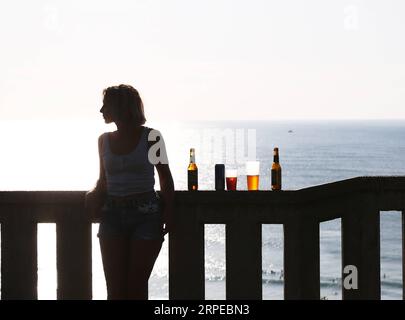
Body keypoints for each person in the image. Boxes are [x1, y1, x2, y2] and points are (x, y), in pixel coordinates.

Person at [85, 84, 174, 300]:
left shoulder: (152, 137)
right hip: (112, 215)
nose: (101, 110)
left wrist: (169, 212)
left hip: (147, 216)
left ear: (121, 107)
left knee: (135, 288)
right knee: (115, 291)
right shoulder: (103, 140)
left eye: (106, 105)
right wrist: (91, 197)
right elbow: (103, 180)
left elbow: (165, 177)